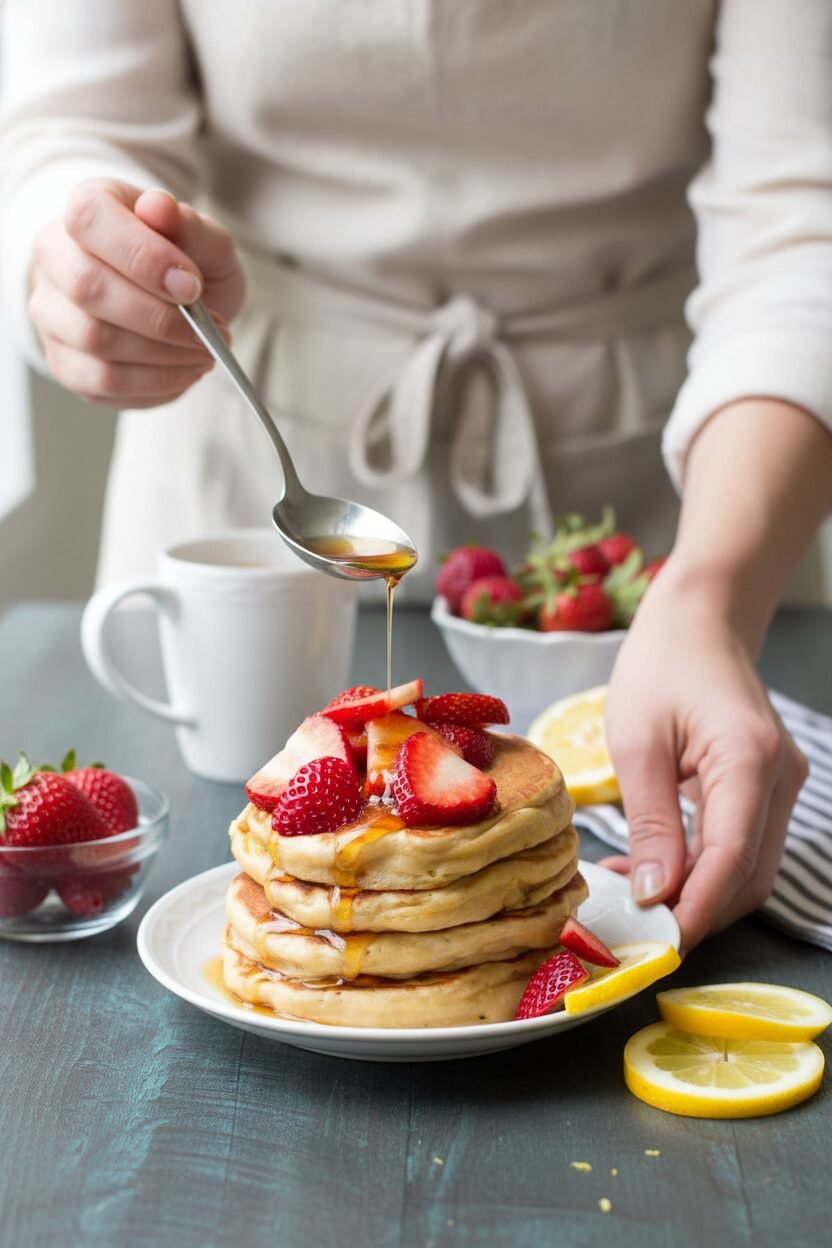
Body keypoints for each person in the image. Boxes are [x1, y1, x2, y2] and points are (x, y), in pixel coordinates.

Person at [1, 1, 830, 952]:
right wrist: (81, 262)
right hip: (241, 436)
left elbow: (802, 214)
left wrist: (711, 593)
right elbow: (66, 124)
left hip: (669, 498)